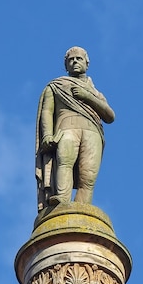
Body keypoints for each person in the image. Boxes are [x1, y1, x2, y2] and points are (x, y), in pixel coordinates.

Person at [35, 47, 115, 212]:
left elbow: (110, 116)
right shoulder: (56, 86)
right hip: (66, 127)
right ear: (66, 65)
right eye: (71, 60)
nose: (75, 62)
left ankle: (82, 210)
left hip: (92, 130)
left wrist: (88, 97)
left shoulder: (95, 92)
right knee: (65, 161)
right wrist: (47, 134)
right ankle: (62, 200)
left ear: (87, 63)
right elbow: (47, 111)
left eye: (79, 59)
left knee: (88, 176)